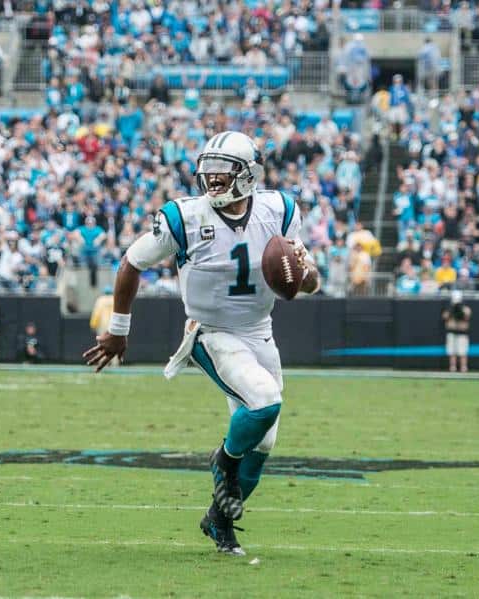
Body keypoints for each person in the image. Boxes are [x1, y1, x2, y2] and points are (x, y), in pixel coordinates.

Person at [84, 131, 320, 557]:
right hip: (210, 333)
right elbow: (131, 263)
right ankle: (224, 461)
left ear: (248, 176)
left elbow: (310, 282)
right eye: (208, 173)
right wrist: (119, 329)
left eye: (222, 174)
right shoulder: (184, 217)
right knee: (265, 401)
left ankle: (218, 520)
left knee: (263, 442)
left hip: (259, 333)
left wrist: (303, 275)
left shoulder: (279, 210)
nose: (212, 182)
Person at [442, 290, 472, 373]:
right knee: (452, 352)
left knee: (462, 352)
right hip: (452, 333)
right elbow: (445, 318)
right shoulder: (449, 309)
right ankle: (452, 367)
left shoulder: (465, 309)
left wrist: (461, 311)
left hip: (462, 334)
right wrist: (451, 310)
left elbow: (466, 319)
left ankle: (463, 368)